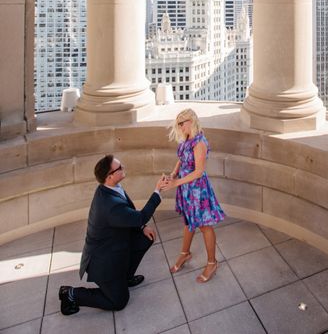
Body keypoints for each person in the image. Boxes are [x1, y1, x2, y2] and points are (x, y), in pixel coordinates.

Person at [58, 154, 168, 315]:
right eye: (120, 168)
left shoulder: (110, 188)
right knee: (118, 301)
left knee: (145, 238)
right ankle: (71, 294)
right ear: (109, 177)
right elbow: (140, 216)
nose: (123, 168)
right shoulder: (109, 205)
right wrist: (157, 191)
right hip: (104, 261)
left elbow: (129, 215)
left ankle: (125, 278)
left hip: (116, 245)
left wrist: (142, 226)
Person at [162, 108, 225, 283]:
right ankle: (185, 253)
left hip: (197, 190)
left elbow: (198, 172)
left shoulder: (200, 143)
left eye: (183, 122)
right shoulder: (187, 140)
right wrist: (173, 174)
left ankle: (212, 262)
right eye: (179, 124)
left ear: (193, 120)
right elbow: (181, 159)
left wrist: (175, 183)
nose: (181, 126)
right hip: (186, 187)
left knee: (204, 226)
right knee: (188, 222)